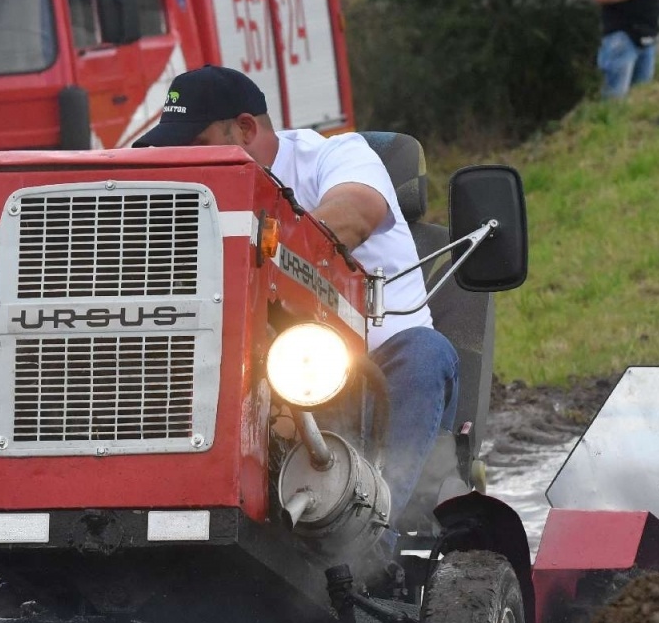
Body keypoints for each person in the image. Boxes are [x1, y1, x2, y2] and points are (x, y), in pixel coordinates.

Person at [133, 65, 460, 570]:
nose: (190, 159)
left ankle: (370, 541)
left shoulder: (336, 155)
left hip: (371, 375)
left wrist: (262, 261)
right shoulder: (190, 194)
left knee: (424, 353)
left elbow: (353, 213)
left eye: (199, 143)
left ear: (244, 129)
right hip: (254, 375)